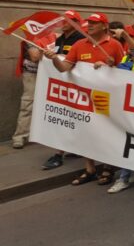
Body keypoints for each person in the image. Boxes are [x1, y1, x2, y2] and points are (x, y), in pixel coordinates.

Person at [42, 12, 124, 186]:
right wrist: (55, 58)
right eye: (89, 22)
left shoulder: (115, 45)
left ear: (104, 26)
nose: (90, 25)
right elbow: (64, 68)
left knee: (106, 133)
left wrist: (111, 66)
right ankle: (90, 169)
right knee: (86, 133)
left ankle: (108, 167)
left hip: (106, 99)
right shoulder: (79, 44)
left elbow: (125, 72)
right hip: (84, 99)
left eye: (95, 23)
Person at [41, 10, 85, 170]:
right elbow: (60, 58)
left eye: (68, 20)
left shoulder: (81, 39)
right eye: (63, 19)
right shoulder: (60, 38)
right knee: (64, 116)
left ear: (76, 23)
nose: (63, 22)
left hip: (76, 85)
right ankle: (63, 151)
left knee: (74, 117)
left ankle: (63, 153)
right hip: (62, 83)